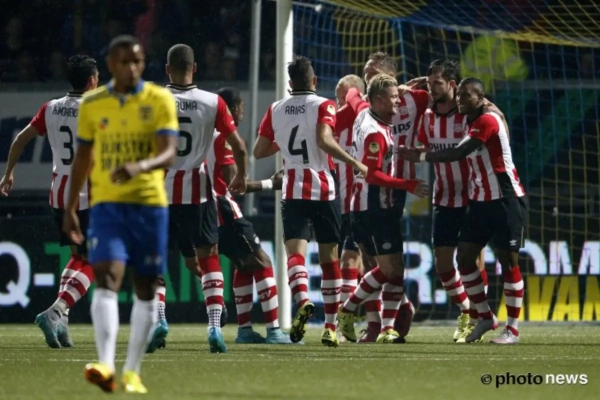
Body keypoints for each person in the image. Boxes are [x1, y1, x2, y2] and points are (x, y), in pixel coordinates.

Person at [63, 35, 180, 394]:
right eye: (124, 62)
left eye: (137, 61)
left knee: (145, 286)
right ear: (110, 65)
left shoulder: (159, 99)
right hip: (107, 207)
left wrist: (139, 166)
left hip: (150, 205)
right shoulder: (93, 104)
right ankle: (106, 364)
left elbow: (169, 152)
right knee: (107, 277)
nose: (131, 68)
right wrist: (70, 206)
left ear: (143, 64)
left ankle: (132, 370)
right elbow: (82, 158)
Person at [401, 77, 527, 344]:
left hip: (505, 199)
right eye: (459, 95)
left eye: (466, 95)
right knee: (465, 258)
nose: (460, 99)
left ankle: (512, 329)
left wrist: (420, 156)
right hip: (480, 202)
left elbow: (457, 153)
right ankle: (485, 316)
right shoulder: (470, 121)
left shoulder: (487, 120)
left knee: (509, 263)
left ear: (480, 98)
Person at [254, 55, 367, 347]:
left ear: (290, 83)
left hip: (293, 190)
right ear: (314, 80)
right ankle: (330, 328)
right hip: (324, 190)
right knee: (330, 259)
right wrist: (354, 162)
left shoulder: (276, 108)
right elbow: (323, 140)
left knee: (296, 255)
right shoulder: (324, 104)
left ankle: (303, 299)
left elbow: (258, 151)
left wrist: (284, 140)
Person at [0, 55, 99, 349]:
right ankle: (56, 310)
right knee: (98, 260)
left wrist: (8, 173)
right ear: (91, 81)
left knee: (78, 257)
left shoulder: (51, 107)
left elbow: (21, 138)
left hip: (59, 195)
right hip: (88, 195)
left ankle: (62, 321)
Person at [161, 44, 247, 354]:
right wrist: (241, 176)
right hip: (197, 191)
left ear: (167, 69)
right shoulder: (213, 102)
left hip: (160, 191)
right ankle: (213, 326)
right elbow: (239, 146)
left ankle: (159, 319)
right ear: (194, 68)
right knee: (209, 256)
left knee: (155, 256)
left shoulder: (152, 99)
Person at [336, 74, 429, 344]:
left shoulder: (366, 111)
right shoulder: (375, 133)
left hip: (373, 205)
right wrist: (408, 184)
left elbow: (353, 94)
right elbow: (372, 174)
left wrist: (404, 86)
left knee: (394, 267)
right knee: (387, 269)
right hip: (373, 206)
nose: (398, 101)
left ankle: (386, 329)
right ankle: (348, 309)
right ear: (377, 100)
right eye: (393, 97)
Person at [201, 86, 292, 344]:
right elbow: (235, 185)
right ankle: (274, 331)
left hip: (202, 209)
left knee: (244, 264)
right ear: (231, 109)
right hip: (223, 209)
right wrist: (270, 184)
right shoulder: (224, 138)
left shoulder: (204, 135)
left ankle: (245, 330)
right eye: (241, 107)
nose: (242, 112)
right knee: (263, 261)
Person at [416, 59, 491, 342]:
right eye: (428, 83)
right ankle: (467, 310)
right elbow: (426, 147)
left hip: (473, 197)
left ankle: (479, 318)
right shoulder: (427, 117)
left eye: (437, 83)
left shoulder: (469, 116)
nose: (432, 88)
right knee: (443, 265)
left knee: (473, 262)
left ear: (451, 84)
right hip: (444, 197)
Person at [362, 52, 430, 339]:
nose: (366, 80)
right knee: (370, 259)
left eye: (372, 75)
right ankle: (389, 313)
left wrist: (422, 82)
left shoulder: (415, 99)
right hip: (363, 189)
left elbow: (445, 94)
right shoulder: (364, 105)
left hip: (395, 187)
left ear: (390, 76)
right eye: (365, 75)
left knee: (387, 260)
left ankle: (379, 323)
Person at [333, 75, 365, 314]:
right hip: (338, 206)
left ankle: (343, 320)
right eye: (338, 99)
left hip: (361, 205)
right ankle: (394, 309)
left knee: (348, 260)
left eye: (344, 98)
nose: (339, 104)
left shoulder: (367, 125)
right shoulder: (332, 126)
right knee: (361, 265)